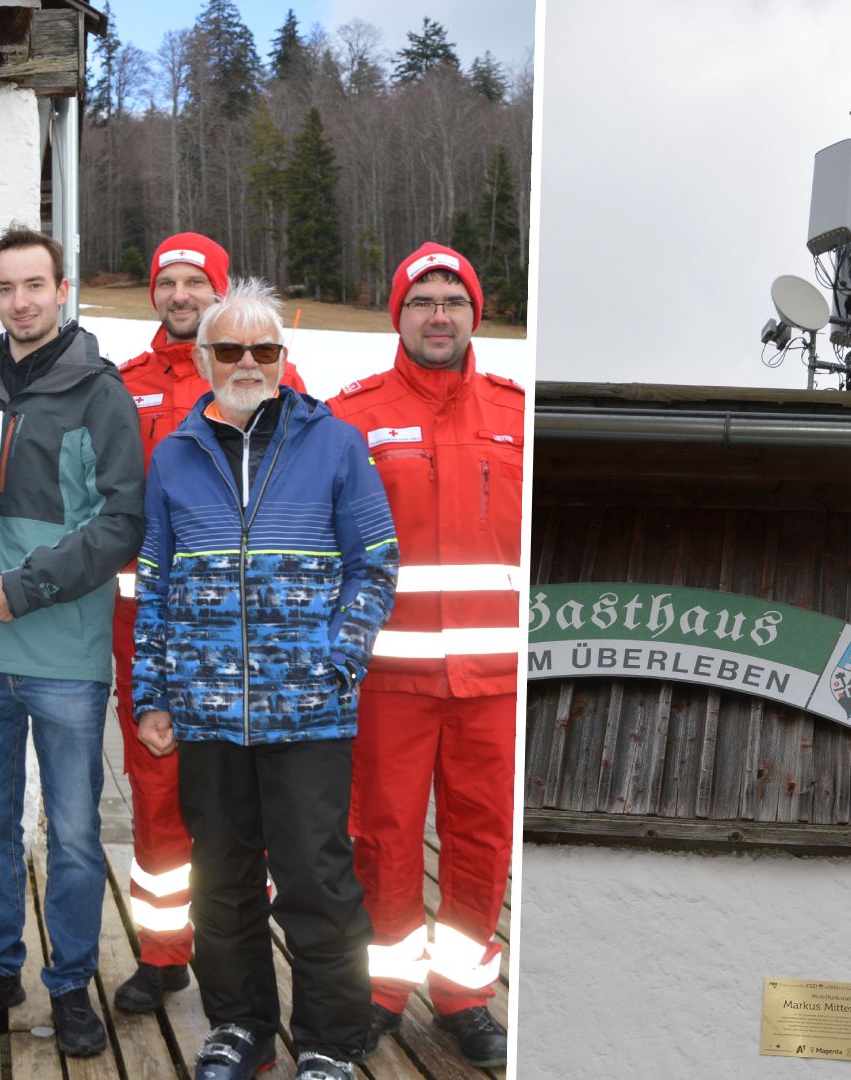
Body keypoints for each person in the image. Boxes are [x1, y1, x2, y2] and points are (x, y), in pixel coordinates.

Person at [133, 277, 398, 1080]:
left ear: (283, 357)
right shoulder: (174, 455)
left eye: (264, 349)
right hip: (208, 710)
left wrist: (339, 658)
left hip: (308, 711)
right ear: (203, 359)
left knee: (317, 878)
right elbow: (155, 581)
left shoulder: (335, 443)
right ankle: (241, 1026)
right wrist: (152, 692)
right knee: (222, 880)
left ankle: (329, 1040)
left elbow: (376, 564)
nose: (247, 362)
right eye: (230, 349)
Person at [0, 224, 144, 1057]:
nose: (20, 301)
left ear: (62, 291)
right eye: (5, 288)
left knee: (76, 834)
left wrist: (24, 588)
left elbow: (120, 524)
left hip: (62, 653)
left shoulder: (99, 392)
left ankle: (71, 981)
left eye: (34, 285)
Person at [328, 244, 523, 1068]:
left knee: (482, 840)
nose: (438, 315)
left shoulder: (519, 414)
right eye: (421, 301)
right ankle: (381, 993)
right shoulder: (352, 417)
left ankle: (465, 998)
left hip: (496, 683)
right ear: (397, 315)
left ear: (475, 312)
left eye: (453, 300)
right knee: (384, 838)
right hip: (390, 679)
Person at [108, 233, 309, 1013]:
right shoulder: (124, 387)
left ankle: (243, 953)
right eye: (169, 282)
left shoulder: (267, 375)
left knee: (245, 796)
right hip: (150, 624)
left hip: (249, 631)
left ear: (220, 291)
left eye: (197, 281)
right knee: (157, 789)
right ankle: (163, 953)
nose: (181, 295)